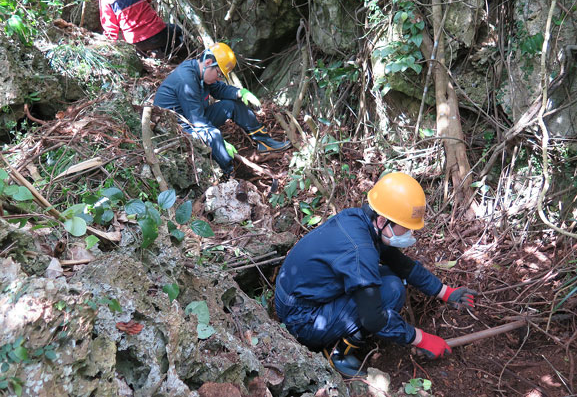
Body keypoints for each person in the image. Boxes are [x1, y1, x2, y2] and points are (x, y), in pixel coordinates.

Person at [275, 172, 476, 377]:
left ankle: (343, 337)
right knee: (391, 290)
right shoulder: (360, 250)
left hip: (301, 295)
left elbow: (402, 265)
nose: (409, 234)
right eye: (405, 228)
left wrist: (445, 292)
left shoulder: (361, 221)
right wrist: (421, 339)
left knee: (391, 275)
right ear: (382, 221)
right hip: (302, 318)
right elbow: (374, 319)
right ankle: (338, 353)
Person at [153, 42, 291, 176]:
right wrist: (220, 143)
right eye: (219, 74)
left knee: (233, 105)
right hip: (179, 127)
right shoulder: (187, 80)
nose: (219, 78)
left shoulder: (201, 73)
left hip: (193, 117)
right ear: (208, 63)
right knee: (214, 135)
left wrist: (240, 93)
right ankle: (228, 172)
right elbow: (197, 121)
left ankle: (265, 142)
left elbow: (219, 89)